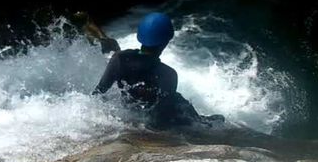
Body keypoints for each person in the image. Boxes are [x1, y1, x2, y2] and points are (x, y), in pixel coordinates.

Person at [93, 12, 224, 128]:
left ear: (140, 36)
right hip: (157, 117)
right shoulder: (168, 74)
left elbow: (99, 92)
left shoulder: (119, 59)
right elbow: (161, 118)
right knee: (180, 101)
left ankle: (200, 120)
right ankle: (201, 121)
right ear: (165, 42)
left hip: (132, 111)